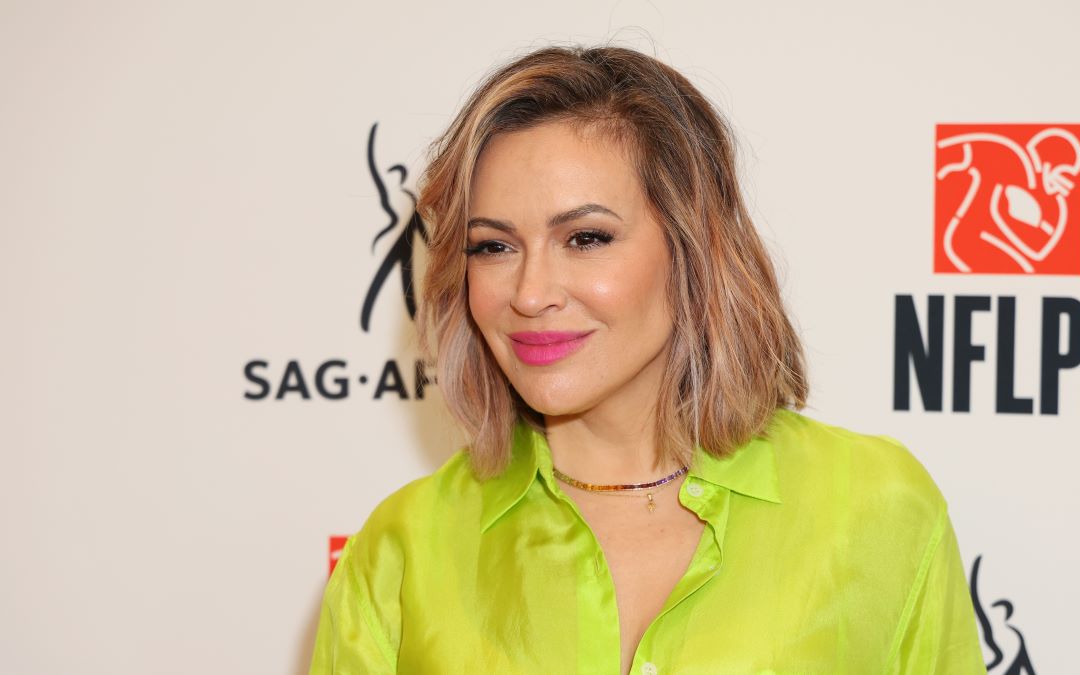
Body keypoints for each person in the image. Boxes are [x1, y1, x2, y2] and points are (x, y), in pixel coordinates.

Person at [308, 45, 986, 675]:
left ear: (691, 246)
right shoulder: (401, 551)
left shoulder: (877, 507)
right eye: (494, 246)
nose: (531, 293)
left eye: (586, 237)